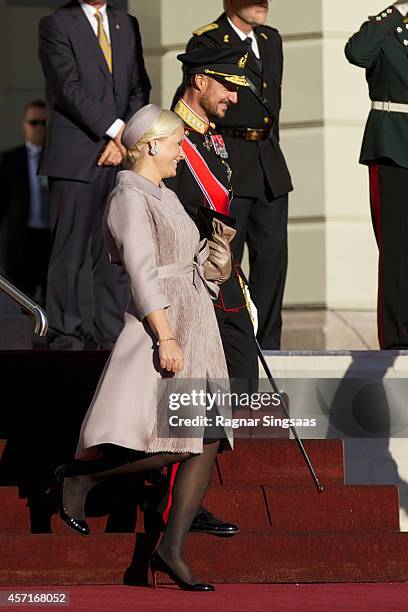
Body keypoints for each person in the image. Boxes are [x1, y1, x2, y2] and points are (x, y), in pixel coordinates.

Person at [55, 104, 233, 592]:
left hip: (195, 319)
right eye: (177, 144)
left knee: (209, 432)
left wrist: (213, 259)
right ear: (151, 145)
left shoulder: (166, 194)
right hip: (167, 325)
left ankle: (170, 550)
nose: (182, 153)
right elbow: (141, 270)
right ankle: (81, 479)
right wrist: (167, 335)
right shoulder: (128, 196)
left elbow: (181, 261)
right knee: (175, 438)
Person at [160, 46, 259, 536]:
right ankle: (179, 506)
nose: (234, 95)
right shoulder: (167, 138)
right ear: (198, 81)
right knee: (193, 394)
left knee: (239, 382)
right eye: (226, 85)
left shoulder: (217, 140)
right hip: (190, 284)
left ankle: (187, 495)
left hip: (224, 283)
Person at [173, 0, 293, 350]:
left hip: (268, 162)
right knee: (227, 261)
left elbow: (274, 107)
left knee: (272, 262)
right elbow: (194, 103)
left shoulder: (271, 39)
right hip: (231, 159)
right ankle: (226, 343)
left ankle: (268, 346)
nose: (262, 5)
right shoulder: (208, 40)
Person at [38, 0, 151, 349]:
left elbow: (138, 85)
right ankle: (64, 334)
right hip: (76, 155)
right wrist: (117, 130)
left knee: (113, 252)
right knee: (68, 251)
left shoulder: (126, 23)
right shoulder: (56, 23)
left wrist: (125, 139)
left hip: (118, 155)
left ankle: (111, 335)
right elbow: (67, 87)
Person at [345, 2, 408, 349]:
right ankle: (398, 339)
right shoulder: (385, 30)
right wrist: (395, 11)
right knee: (397, 248)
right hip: (393, 146)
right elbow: (356, 52)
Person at [0, 100, 50, 304]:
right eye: (33, 122)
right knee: (20, 300)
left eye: (43, 123)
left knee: (53, 300)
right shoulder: (9, 160)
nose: (39, 128)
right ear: (24, 124)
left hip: (50, 239)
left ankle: (54, 336)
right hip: (21, 240)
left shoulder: (58, 159)